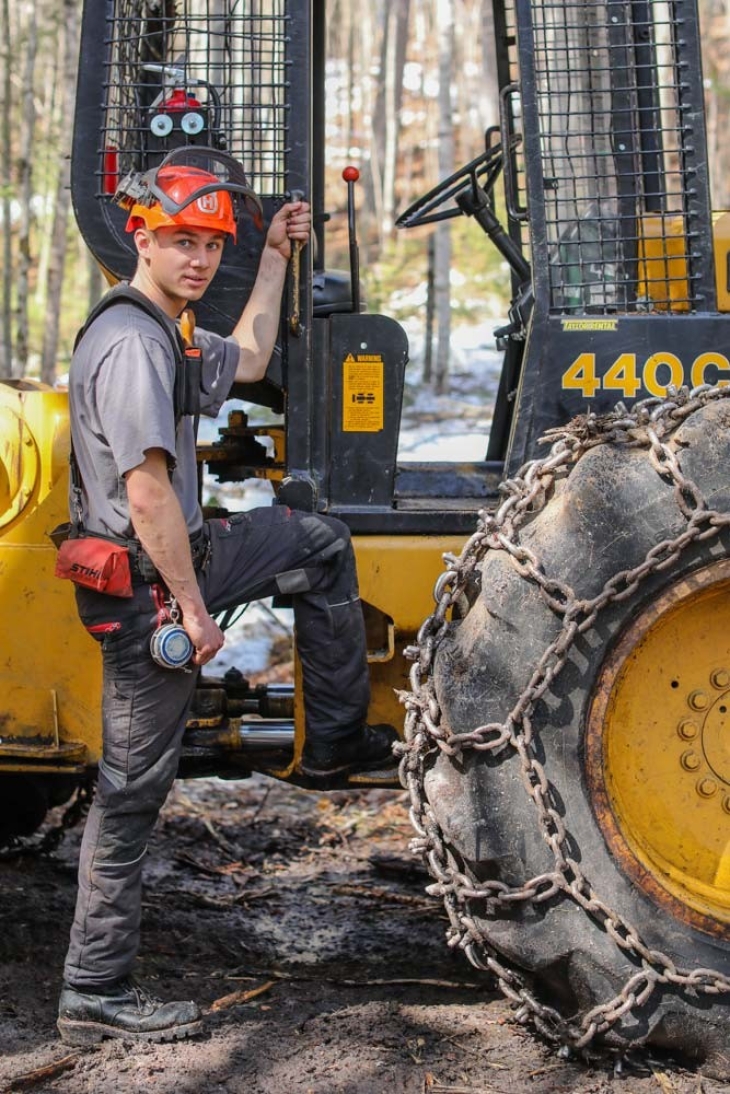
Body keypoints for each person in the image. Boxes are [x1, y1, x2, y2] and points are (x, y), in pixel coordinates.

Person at [56, 151, 397, 1046]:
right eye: (180, 241)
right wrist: (195, 612)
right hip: (148, 589)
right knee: (132, 790)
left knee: (318, 545)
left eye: (210, 243)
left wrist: (277, 252)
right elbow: (147, 495)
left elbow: (247, 359)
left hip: (189, 557)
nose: (199, 258)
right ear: (142, 237)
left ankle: (331, 745)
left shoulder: (171, 328)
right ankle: (93, 991)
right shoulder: (132, 341)